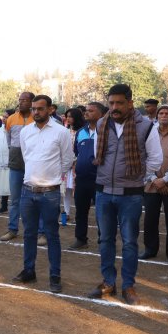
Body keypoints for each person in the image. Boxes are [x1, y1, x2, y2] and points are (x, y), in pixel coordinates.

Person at [87, 84, 162, 306]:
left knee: (129, 242)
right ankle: (108, 282)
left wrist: (137, 177)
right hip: (103, 192)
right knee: (105, 240)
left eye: (119, 103)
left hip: (130, 194)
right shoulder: (102, 123)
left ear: (130, 103)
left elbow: (156, 159)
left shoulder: (145, 126)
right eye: (111, 103)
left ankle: (128, 285)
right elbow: (97, 155)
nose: (114, 107)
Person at [12, 95, 74, 293]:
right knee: (29, 233)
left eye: (40, 108)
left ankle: (55, 275)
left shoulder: (61, 132)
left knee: (52, 235)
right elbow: (26, 157)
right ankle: (28, 270)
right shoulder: (25, 132)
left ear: (50, 109)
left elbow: (67, 160)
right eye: (34, 109)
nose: (36, 112)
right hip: (27, 191)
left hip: (50, 193)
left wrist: (53, 177)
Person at [142, 105, 168, 265]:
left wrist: (165, 180)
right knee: (150, 219)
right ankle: (150, 249)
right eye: (161, 113)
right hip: (151, 184)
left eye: (167, 113)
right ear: (157, 116)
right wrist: (154, 180)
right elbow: (143, 158)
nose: (164, 115)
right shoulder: (149, 133)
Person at [0, 92, 34, 241]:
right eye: (20, 100)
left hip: (33, 165)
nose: (21, 102)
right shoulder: (12, 119)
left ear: (32, 102)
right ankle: (12, 229)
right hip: (15, 164)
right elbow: (9, 140)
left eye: (25, 100)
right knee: (15, 199)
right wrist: (14, 153)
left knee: (35, 199)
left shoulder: (37, 118)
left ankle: (40, 232)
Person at [70, 102, 104, 250]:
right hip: (82, 178)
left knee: (102, 212)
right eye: (86, 111)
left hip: (100, 178)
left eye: (91, 111)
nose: (86, 113)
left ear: (101, 114)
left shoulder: (106, 131)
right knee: (81, 211)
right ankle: (81, 238)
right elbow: (76, 154)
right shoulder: (81, 132)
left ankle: (104, 240)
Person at [61, 108, 84, 225]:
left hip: (77, 165)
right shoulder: (65, 131)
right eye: (67, 116)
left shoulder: (82, 131)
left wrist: (74, 159)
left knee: (77, 191)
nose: (68, 118)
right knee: (66, 191)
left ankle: (78, 214)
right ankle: (66, 212)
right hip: (66, 165)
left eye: (70, 116)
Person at [0, 109, 13, 214]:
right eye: (3, 117)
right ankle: (3, 206)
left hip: (11, 162)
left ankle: (15, 207)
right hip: (0, 161)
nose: (4, 119)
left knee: (13, 186)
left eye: (6, 117)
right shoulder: (0, 130)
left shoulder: (13, 130)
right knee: (2, 184)